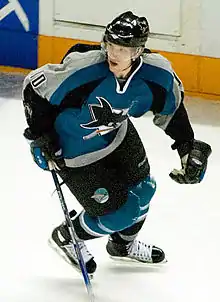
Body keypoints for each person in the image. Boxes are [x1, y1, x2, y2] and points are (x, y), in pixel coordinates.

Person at [22, 11, 212, 275]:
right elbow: (34, 88)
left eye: (124, 49)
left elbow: (171, 109)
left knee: (145, 189)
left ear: (139, 51)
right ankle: (67, 237)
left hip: (117, 136)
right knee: (119, 214)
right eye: (111, 45)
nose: (114, 53)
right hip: (74, 150)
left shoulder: (156, 76)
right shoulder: (85, 70)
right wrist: (40, 136)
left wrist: (185, 146)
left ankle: (122, 246)